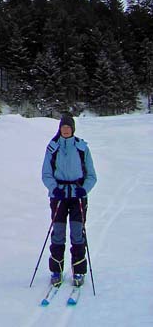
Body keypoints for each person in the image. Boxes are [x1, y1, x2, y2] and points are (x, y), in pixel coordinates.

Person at [41, 114, 97, 287]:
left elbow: (92, 175)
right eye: (63, 127)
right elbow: (46, 173)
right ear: (60, 129)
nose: (65, 130)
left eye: (68, 127)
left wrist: (84, 189)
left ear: (73, 129)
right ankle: (56, 271)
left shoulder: (82, 148)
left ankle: (79, 271)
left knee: (77, 233)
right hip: (58, 196)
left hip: (77, 196)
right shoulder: (53, 147)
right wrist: (54, 188)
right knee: (58, 233)